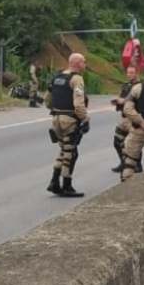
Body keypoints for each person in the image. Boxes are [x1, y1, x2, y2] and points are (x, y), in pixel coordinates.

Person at [47, 53, 89, 197]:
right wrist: (85, 118)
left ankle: (54, 182)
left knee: (63, 150)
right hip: (69, 120)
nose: (85, 64)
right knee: (71, 153)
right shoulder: (76, 79)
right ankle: (67, 185)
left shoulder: (57, 77)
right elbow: (78, 103)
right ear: (77, 63)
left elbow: (48, 99)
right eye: (83, 62)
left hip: (56, 118)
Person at [111, 64, 142, 174]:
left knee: (134, 143)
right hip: (124, 117)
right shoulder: (126, 85)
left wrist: (123, 101)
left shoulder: (139, 86)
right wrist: (118, 101)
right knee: (117, 141)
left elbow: (138, 101)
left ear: (136, 73)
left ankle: (138, 165)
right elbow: (122, 96)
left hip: (133, 117)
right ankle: (123, 162)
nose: (129, 75)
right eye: (128, 73)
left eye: (132, 73)